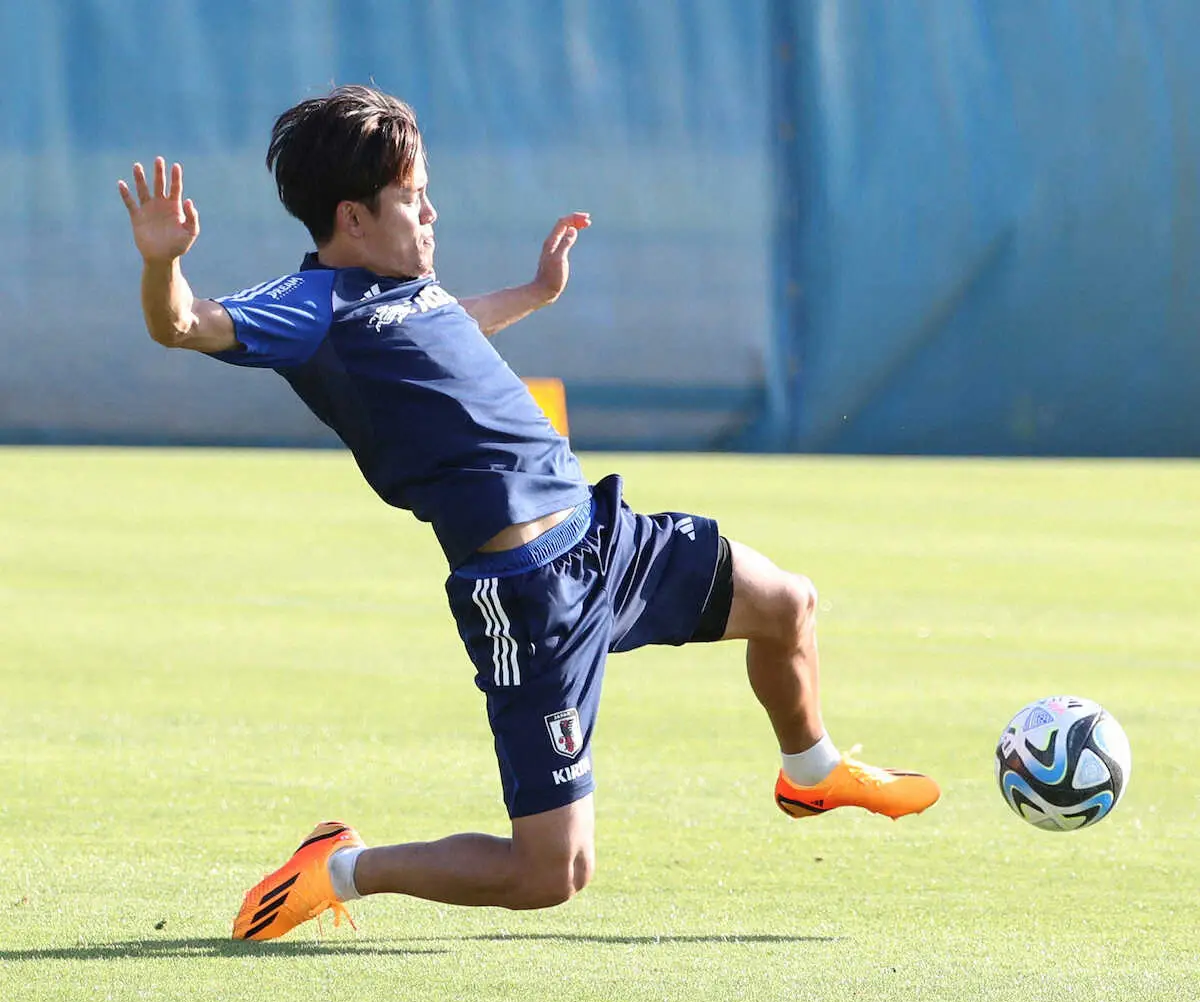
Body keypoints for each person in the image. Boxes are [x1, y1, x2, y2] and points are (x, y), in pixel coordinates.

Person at [117, 85, 939, 942]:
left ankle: (810, 771)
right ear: (352, 218)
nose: (432, 212)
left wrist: (536, 292)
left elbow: (447, 327)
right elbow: (183, 323)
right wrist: (161, 263)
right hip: (528, 596)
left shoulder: (410, 290)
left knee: (789, 604)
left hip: (604, 537)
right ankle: (341, 866)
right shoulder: (313, 308)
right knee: (552, 873)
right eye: (413, 197)